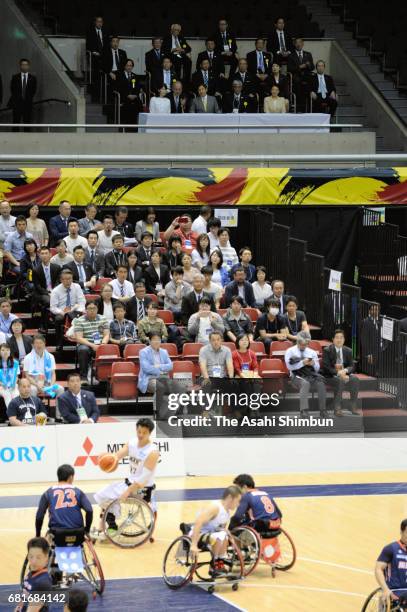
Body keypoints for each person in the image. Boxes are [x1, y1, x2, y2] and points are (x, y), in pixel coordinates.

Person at [92, 418, 160, 539]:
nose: (140, 435)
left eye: (144, 433)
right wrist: (109, 457)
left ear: (150, 433)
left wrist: (128, 491)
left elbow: (144, 478)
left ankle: (111, 525)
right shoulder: (132, 442)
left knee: (103, 495)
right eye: (139, 431)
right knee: (102, 495)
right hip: (129, 483)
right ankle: (109, 525)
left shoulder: (152, 452)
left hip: (142, 489)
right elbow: (118, 455)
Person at [189, 485, 241, 577]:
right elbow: (198, 522)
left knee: (224, 535)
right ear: (230, 498)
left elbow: (220, 528)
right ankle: (214, 564)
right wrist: (193, 544)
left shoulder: (227, 512)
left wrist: (227, 533)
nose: (238, 504)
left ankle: (219, 562)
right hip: (199, 534)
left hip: (211, 534)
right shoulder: (215, 507)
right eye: (238, 501)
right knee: (218, 536)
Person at [35, 464, 93, 537]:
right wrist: (86, 530)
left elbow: (39, 516)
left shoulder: (48, 493)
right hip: (78, 532)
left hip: (56, 533)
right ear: (71, 477)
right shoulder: (78, 491)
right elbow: (89, 510)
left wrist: (38, 535)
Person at [285, 331, 327, 417]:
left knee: (321, 383)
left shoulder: (312, 352)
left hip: (310, 375)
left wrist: (314, 364)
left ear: (308, 343)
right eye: (301, 344)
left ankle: (323, 410)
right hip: (296, 376)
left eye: (305, 344)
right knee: (305, 383)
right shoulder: (290, 351)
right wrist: (302, 363)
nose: (303, 346)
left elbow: (317, 369)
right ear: (297, 342)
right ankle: (303, 410)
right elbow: (289, 367)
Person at [322, 329, 360, 417]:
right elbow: (326, 368)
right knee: (340, 380)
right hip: (330, 376)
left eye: (341, 338)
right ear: (333, 339)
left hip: (344, 374)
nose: (339, 340)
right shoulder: (327, 350)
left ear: (344, 340)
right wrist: (339, 373)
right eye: (337, 338)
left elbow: (352, 366)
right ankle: (337, 408)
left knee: (355, 379)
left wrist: (345, 371)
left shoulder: (348, 350)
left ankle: (352, 405)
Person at [71, 301, 110, 383]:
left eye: (94, 308)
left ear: (97, 309)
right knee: (83, 350)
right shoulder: (79, 320)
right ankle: (83, 377)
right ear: (86, 310)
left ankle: (104, 376)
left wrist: (102, 344)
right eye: (89, 308)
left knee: (110, 349)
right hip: (86, 344)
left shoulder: (103, 318)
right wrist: (92, 345)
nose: (92, 310)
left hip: (101, 344)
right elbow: (79, 338)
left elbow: (106, 335)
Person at [50, 269, 86, 352]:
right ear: (61, 280)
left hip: (75, 310)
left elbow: (82, 301)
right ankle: (59, 343)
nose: (67, 281)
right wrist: (63, 312)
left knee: (84, 316)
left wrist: (79, 311)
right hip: (62, 312)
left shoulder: (76, 286)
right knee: (58, 319)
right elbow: (53, 308)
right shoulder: (55, 291)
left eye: (69, 278)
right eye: (65, 279)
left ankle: (83, 341)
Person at [374, 519, 407, 606]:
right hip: (394, 592)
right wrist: (385, 589)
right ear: (401, 532)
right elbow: (378, 569)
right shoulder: (391, 549)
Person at [23, 334, 64, 398]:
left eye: (41, 343)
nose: (39, 345)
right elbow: (27, 376)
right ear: (32, 345)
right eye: (36, 343)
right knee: (32, 390)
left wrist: (51, 385)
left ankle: (59, 408)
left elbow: (53, 374)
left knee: (60, 389)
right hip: (34, 383)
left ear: (44, 344)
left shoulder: (50, 357)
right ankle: (35, 407)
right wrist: (37, 386)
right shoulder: (27, 357)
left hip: (48, 382)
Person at [19, 537, 52, 611]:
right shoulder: (31, 573)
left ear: (46, 557)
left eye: (38, 557)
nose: (33, 561)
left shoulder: (42, 582)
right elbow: (23, 599)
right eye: (31, 556)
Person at [32, 246, 61, 330]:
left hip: (55, 291)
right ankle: (45, 323)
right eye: (42, 254)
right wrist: (48, 293)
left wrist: (54, 292)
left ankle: (56, 321)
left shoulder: (56, 267)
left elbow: (58, 282)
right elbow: (37, 286)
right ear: (39, 256)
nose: (44, 255)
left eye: (46, 253)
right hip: (41, 293)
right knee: (48, 300)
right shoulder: (36, 270)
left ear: (50, 255)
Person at [287, 38, 314, 111]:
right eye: (297, 43)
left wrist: (308, 65)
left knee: (312, 82)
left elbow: (312, 67)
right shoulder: (291, 55)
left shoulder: (308, 54)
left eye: (300, 42)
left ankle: (310, 107)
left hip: (307, 76)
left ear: (303, 44)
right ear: (294, 44)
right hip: (296, 76)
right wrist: (300, 67)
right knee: (298, 85)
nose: (298, 44)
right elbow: (289, 69)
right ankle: (299, 108)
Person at [9, 58, 37, 129]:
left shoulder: (33, 78)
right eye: (23, 65)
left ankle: (27, 139)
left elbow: (33, 91)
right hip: (17, 104)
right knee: (15, 123)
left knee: (27, 124)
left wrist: (27, 98)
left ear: (29, 66)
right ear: (20, 66)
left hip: (28, 104)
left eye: (26, 65)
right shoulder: (15, 77)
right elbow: (12, 89)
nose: (24, 66)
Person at [115, 59, 142, 128]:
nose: (129, 67)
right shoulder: (120, 75)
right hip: (124, 97)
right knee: (128, 105)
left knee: (137, 104)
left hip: (134, 98)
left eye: (130, 66)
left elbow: (137, 87)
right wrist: (127, 95)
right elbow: (119, 88)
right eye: (127, 65)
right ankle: (127, 126)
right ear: (124, 66)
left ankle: (135, 126)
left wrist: (135, 95)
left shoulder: (135, 76)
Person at [0, 199, 16, 278]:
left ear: (10, 208)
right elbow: (1, 237)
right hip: (1, 249)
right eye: (2, 208)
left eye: (6, 207)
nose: (4, 210)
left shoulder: (16, 220)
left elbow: (19, 235)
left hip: (14, 248)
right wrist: (11, 235)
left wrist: (6, 235)